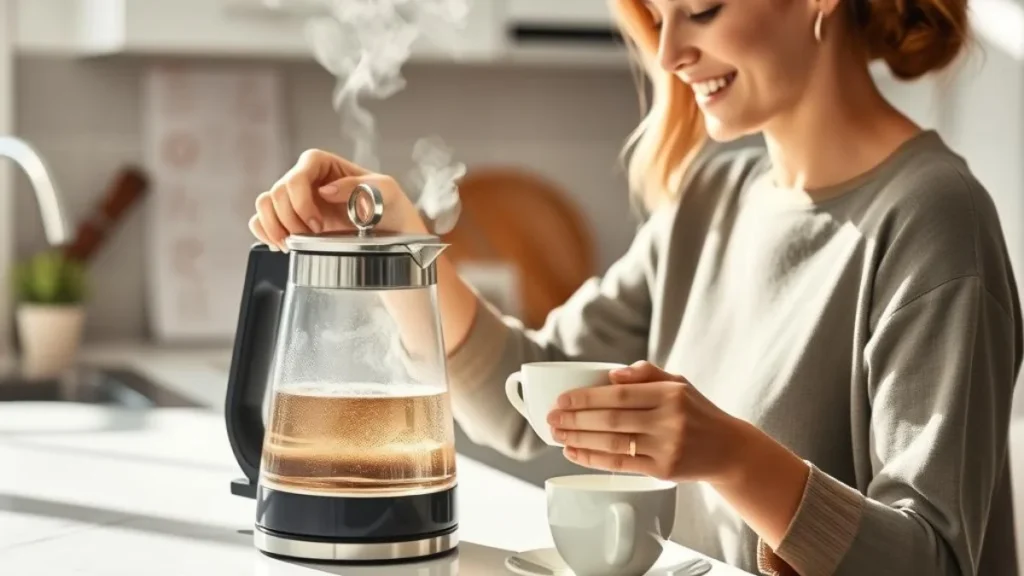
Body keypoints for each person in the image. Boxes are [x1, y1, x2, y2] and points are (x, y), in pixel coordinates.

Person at [247, 0, 1023, 573]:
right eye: (658, 16)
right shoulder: (713, 197)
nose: (671, 51)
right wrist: (397, 239)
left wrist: (732, 456)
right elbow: (526, 405)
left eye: (703, 11)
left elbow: (934, 561)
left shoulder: (934, 218)